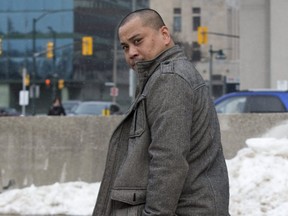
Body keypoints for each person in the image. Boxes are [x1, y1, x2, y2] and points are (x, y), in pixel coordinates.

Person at [93, 9, 230, 216]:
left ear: (164, 35)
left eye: (137, 41)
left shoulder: (170, 78)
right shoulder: (163, 76)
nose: (131, 52)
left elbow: (168, 160)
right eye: (125, 46)